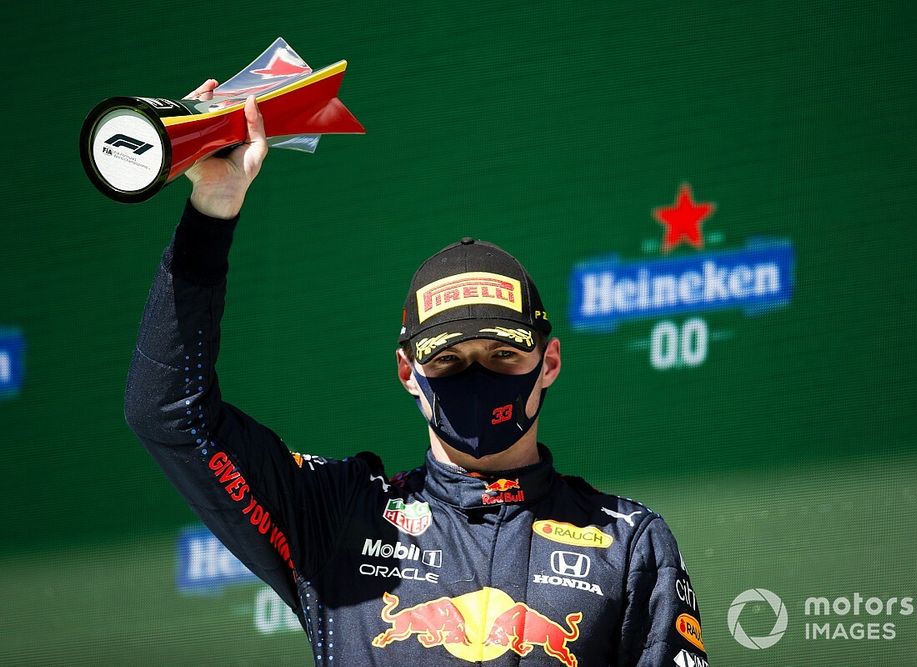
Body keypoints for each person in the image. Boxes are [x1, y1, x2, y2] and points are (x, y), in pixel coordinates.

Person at [124, 80, 708, 667]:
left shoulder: (628, 544)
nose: (476, 375)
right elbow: (169, 412)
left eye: (502, 355)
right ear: (408, 371)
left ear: (548, 361)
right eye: (449, 359)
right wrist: (211, 213)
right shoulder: (339, 518)